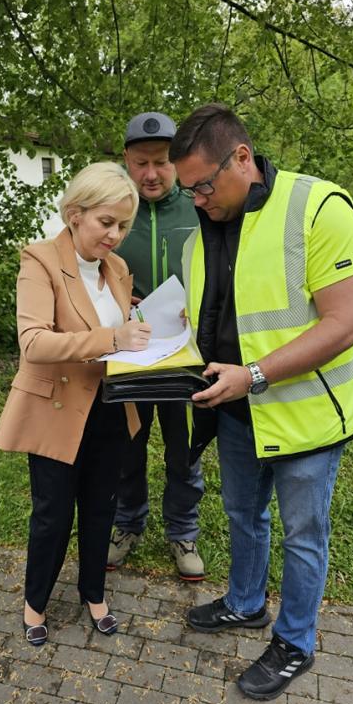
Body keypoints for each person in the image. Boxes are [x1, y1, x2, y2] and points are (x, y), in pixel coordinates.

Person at [170, 104, 353, 699]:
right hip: (238, 411)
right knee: (242, 514)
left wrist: (253, 374)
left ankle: (295, 643)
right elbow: (208, 316)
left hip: (309, 415)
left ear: (243, 158)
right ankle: (245, 604)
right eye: (189, 189)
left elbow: (343, 324)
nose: (197, 199)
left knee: (303, 534)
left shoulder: (319, 207)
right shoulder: (203, 229)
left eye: (204, 185)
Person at [0, 162, 151, 646]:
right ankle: (35, 602)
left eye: (123, 225)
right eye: (107, 222)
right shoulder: (39, 261)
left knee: (102, 507)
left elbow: (123, 332)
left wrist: (151, 328)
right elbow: (34, 342)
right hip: (56, 410)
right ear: (74, 213)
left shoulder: (118, 270)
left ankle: (94, 594)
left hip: (109, 407)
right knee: (53, 514)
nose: (115, 235)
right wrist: (113, 337)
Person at [106, 111, 205, 581]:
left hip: (189, 355)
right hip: (130, 353)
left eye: (162, 162)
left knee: (184, 449)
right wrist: (118, 301)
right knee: (128, 444)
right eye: (141, 163)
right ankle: (127, 524)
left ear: (177, 162)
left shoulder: (199, 207)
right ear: (127, 160)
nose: (151, 174)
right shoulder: (114, 210)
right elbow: (88, 272)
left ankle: (183, 531)